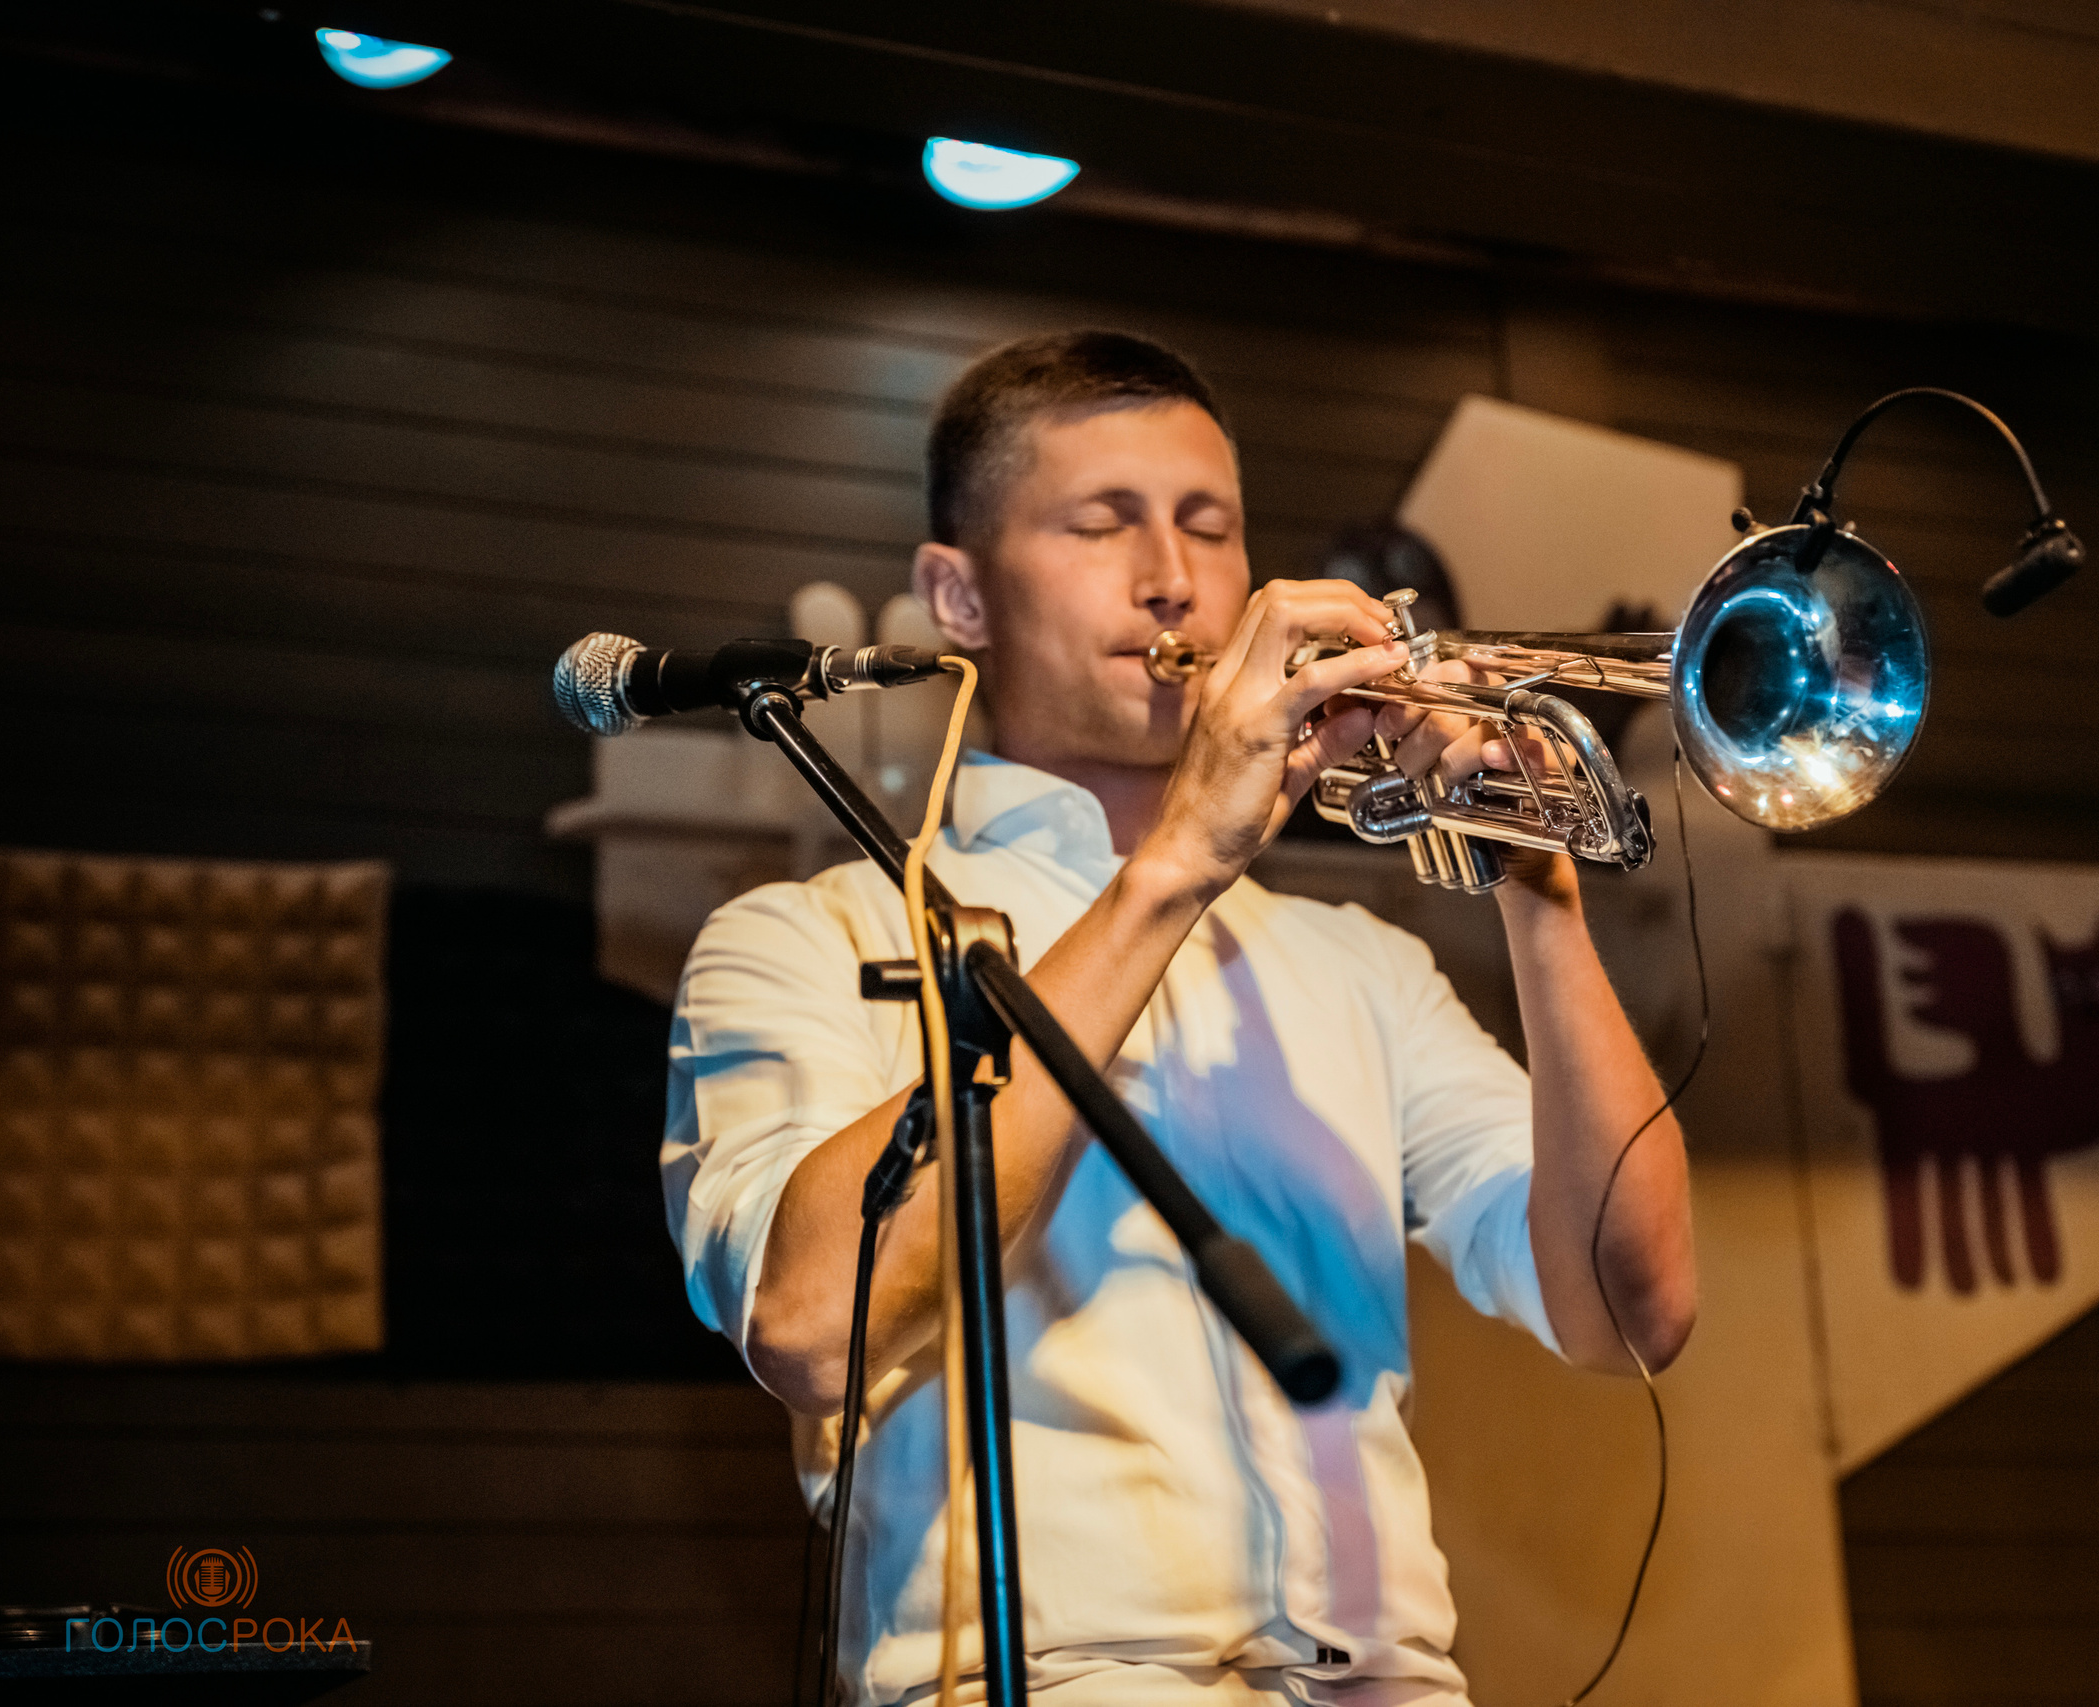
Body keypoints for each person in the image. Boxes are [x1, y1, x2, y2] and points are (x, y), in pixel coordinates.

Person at [663, 330, 1696, 1705]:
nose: (1173, 575)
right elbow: (805, 1326)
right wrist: (1176, 869)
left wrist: (1538, 888)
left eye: (1210, 527)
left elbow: (1631, 1310)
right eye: (1104, 523)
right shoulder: (805, 936)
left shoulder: (1361, 967)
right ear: (955, 596)